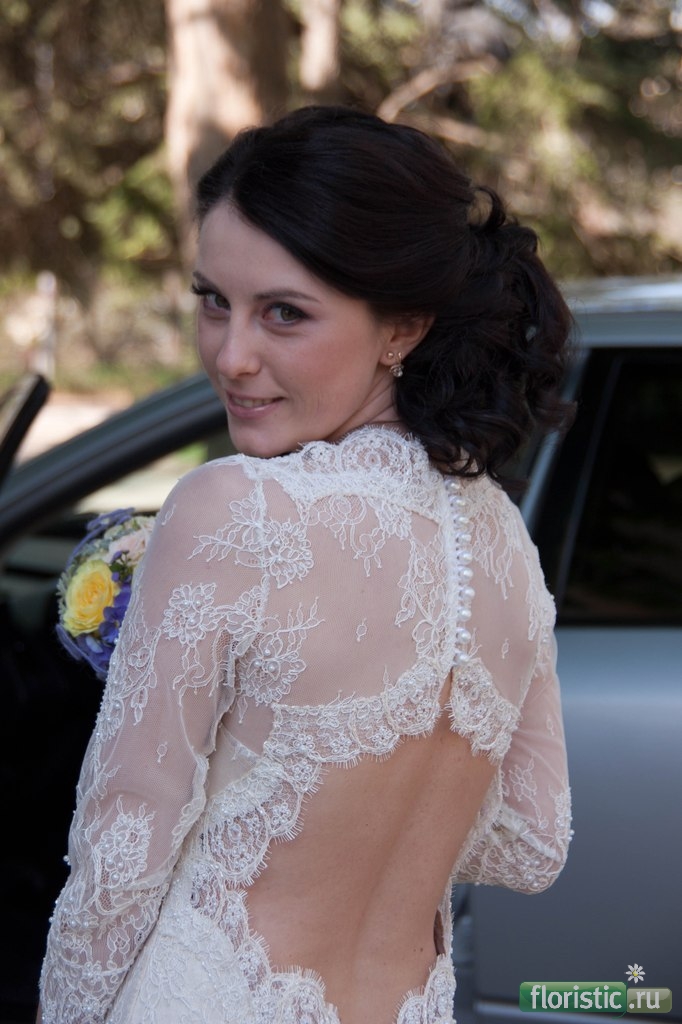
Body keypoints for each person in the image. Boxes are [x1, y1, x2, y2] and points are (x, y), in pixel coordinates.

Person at [38, 105, 573, 1024]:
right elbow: (533, 844)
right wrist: (379, 812)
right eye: (213, 300)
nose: (231, 355)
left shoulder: (230, 510)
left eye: (284, 313)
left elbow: (123, 848)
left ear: (403, 328)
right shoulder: (505, 544)